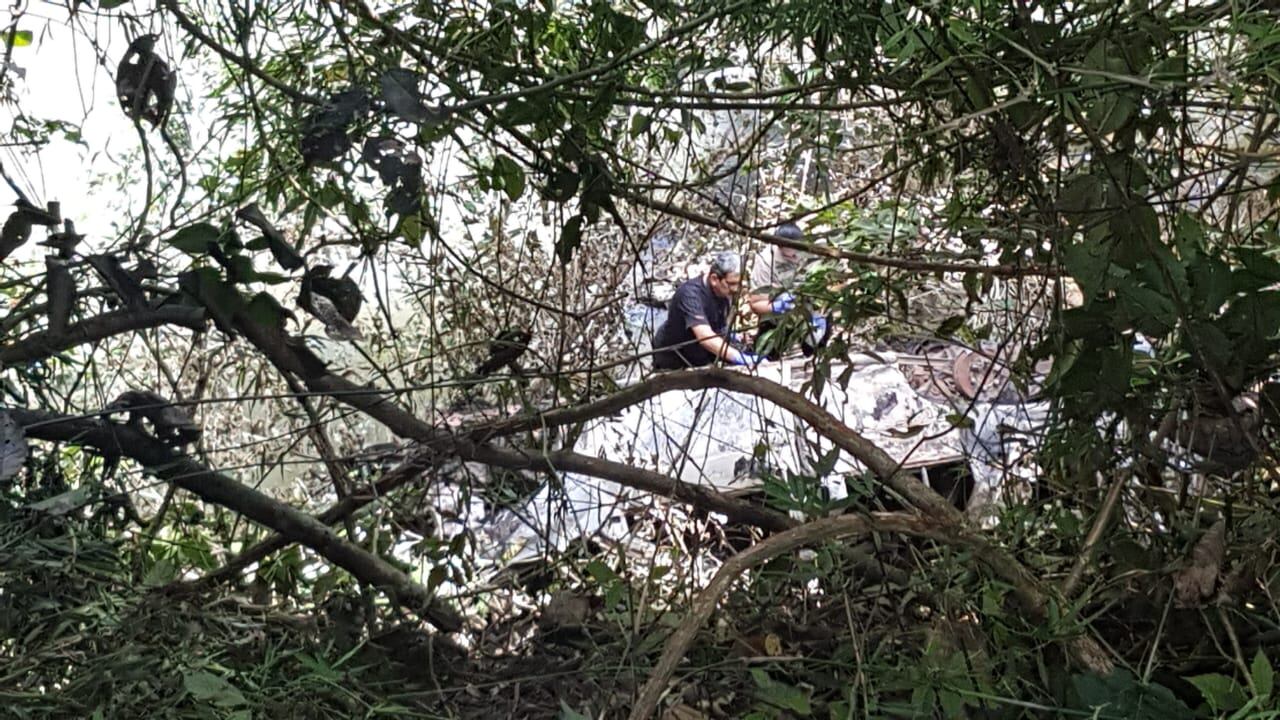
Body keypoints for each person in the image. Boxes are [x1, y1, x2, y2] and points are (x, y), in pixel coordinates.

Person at [652, 251, 762, 369]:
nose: (736, 289)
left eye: (739, 284)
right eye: (732, 284)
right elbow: (705, 337)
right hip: (675, 356)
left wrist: (733, 336)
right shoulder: (689, 295)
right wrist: (740, 358)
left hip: (700, 353)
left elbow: (718, 325)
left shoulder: (723, 293)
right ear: (714, 279)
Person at [747, 222, 831, 360]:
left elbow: (836, 282)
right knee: (769, 355)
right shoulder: (765, 261)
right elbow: (755, 304)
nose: (794, 259)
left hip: (812, 311)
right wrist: (776, 306)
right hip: (779, 317)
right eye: (788, 256)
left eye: (796, 254)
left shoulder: (816, 248)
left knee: (816, 349)